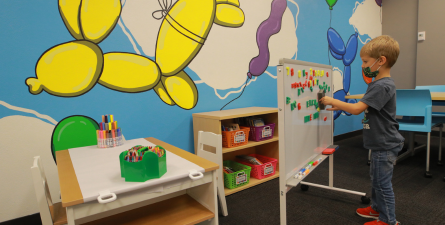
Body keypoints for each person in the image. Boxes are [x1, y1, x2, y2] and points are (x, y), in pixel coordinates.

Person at [320, 35, 404, 225]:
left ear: (381, 61)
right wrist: (342, 105)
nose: (362, 65)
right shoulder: (378, 84)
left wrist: (333, 100)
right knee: (376, 180)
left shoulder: (383, 85)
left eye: (365, 61)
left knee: (382, 184)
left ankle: (389, 220)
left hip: (385, 144)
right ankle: (376, 209)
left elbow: (358, 108)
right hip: (379, 142)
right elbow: (362, 103)